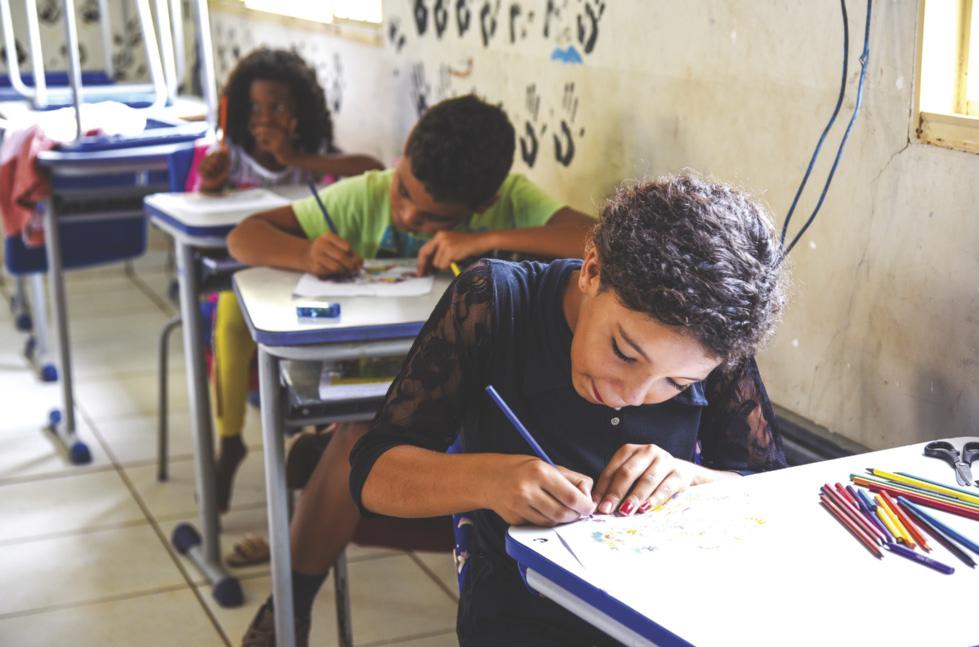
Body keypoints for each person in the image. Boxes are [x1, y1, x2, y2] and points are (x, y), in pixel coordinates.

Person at [349, 173, 789, 646]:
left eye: (677, 384)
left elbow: (770, 490)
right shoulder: (494, 304)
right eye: (623, 352)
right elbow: (373, 474)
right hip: (522, 612)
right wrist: (489, 479)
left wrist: (690, 477)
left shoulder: (716, 339)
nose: (631, 395)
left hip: (663, 610)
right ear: (591, 271)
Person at [229, 94, 596, 646]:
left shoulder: (511, 204)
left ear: (487, 201)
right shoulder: (367, 196)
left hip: (478, 405)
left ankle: (319, 466)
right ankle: (292, 605)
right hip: (386, 402)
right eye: (405, 194)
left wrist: (488, 239)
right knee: (360, 433)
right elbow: (244, 236)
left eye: (434, 219)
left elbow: (596, 240)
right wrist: (306, 255)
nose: (407, 216)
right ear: (401, 160)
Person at [196, 47, 383, 513]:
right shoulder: (232, 158)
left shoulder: (314, 159)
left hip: (309, 282)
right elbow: (204, 206)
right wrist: (210, 185)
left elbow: (373, 171)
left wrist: (296, 156)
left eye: (277, 107)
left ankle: (320, 432)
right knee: (230, 312)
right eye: (255, 108)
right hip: (247, 279)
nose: (265, 118)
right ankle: (231, 440)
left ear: (300, 111)